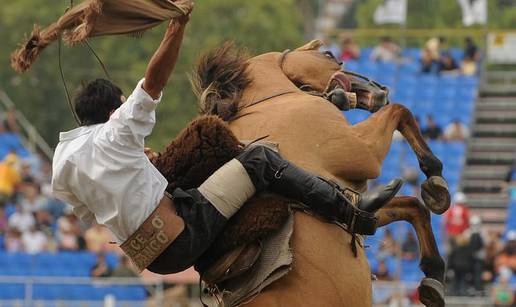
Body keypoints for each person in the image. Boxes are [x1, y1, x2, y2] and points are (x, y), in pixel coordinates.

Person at [52, 14, 402, 275]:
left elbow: (89, 208)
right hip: (181, 234)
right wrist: (176, 28)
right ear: (114, 110)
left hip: (153, 259)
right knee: (260, 159)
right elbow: (153, 82)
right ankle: (351, 212)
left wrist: (134, 168)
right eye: (123, 102)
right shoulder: (116, 131)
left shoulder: (62, 160)